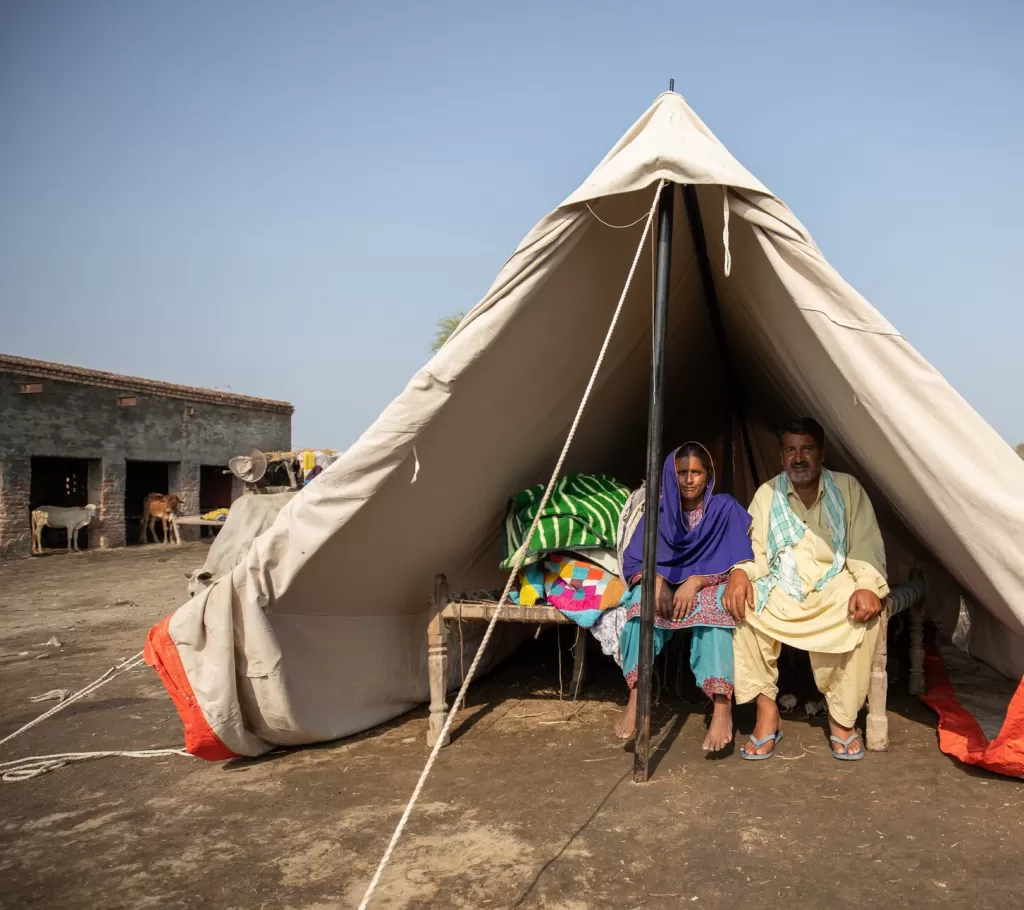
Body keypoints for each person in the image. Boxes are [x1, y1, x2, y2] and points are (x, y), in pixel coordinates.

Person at [722, 418, 888, 761]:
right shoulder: (767, 494)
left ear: (822, 453)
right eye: (790, 450)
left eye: (807, 449)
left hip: (833, 588)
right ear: (782, 457)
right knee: (743, 607)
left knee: (865, 613)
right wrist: (739, 573)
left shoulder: (847, 488)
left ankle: (842, 719)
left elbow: (865, 547)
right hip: (783, 586)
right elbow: (754, 551)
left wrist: (868, 585)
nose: (799, 458)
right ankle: (768, 712)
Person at [605, 442, 754, 749]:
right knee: (638, 605)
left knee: (717, 606)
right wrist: (655, 579)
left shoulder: (724, 508)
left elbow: (738, 558)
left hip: (707, 586)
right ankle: (637, 696)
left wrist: (698, 581)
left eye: (696, 472)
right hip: (664, 587)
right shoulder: (657, 511)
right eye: (682, 472)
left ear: (708, 475)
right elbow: (634, 561)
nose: (689, 479)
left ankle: (722, 705)